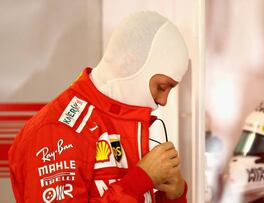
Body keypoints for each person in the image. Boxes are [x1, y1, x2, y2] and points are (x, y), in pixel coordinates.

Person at [8, 11, 189, 203]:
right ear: (129, 63)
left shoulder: (123, 122)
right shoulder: (56, 130)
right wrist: (140, 179)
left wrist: (173, 196)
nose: (163, 100)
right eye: (161, 87)